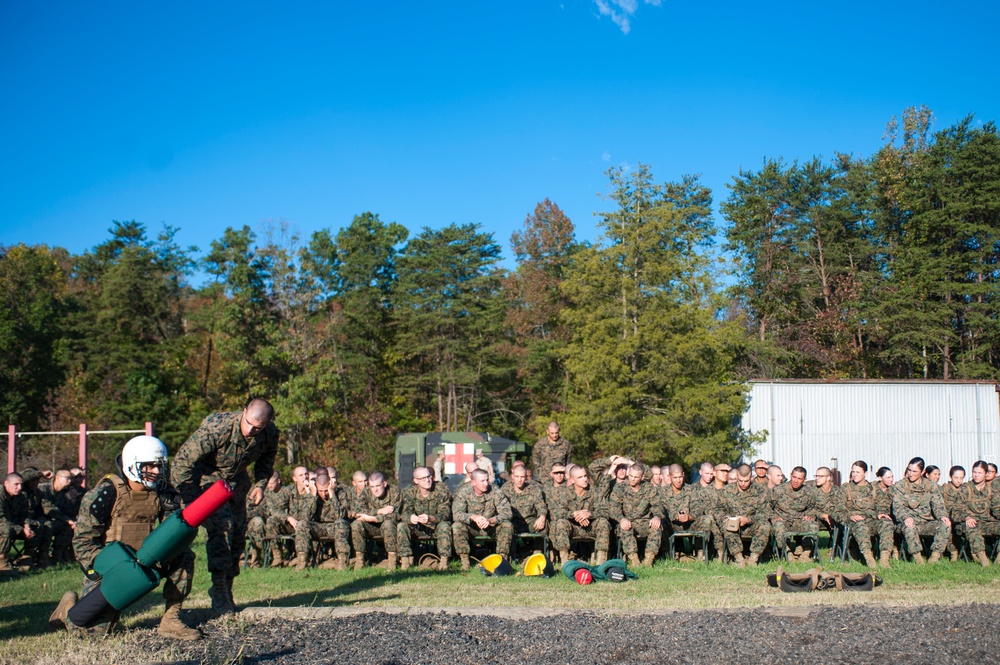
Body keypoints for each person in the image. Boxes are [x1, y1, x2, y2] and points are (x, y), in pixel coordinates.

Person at [48, 436, 201, 640]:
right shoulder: (104, 494)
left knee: (183, 556)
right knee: (90, 635)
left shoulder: (163, 492)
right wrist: (110, 571)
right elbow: (83, 542)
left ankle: (170, 620)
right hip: (111, 568)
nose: (157, 471)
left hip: (146, 559)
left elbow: (169, 532)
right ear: (132, 464)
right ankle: (66, 609)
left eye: (159, 466)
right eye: (150, 466)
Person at [171, 397, 279, 613]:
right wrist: (191, 500)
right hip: (206, 479)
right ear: (244, 411)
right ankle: (219, 589)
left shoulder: (269, 433)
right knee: (222, 530)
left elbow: (266, 460)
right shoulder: (217, 428)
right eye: (247, 423)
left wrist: (260, 485)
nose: (249, 431)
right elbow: (181, 462)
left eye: (257, 428)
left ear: (266, 425)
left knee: (239, 535)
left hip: (237, 483)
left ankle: (227, 587)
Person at [893, 457, 951, 564]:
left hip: (926, 523)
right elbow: (897, 507)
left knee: (945, 525)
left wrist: (942, 516)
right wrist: (906, 517)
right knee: (910, 526)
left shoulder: (930, 485)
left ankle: (935, 556)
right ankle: (917, 558)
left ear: (922, 472)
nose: (911, 474)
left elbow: (938, 505)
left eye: (914, 471)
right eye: (909, 470)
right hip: (908, 523)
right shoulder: (901, 485)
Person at [451, 469, 512, 571]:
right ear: (473, 482)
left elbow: (507, 512)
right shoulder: (464, 492)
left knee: (507, 525)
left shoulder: (495, 491)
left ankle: (502, 560)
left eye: (487, 480)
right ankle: (465, 561)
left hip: (490, 527)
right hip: (472, 528)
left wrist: (491, 520)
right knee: (457, 526)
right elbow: (456, 514)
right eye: (482, 481)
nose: (486, 483)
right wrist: (473, 517)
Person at [550, 465, 611, 566]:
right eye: (580, 477)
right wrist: (575, 514)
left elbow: (606, 511)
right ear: (572, 480)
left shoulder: (595, 491)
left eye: (585, 476)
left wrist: (589, 514)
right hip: (573, 527)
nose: (585, 479)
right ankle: (565, 562)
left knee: (603, 522)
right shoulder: (564, 492)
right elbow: (555, 513)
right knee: (560, 523)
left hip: (590, 526)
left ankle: (601, 563)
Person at [397, 466, 452, 571]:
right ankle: (405, 562)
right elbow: (403, 513)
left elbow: (446, 514)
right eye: (423, 478)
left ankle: (444, 562)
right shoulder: (409, 492)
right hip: (418, 528)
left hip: (436, 526)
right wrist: (410, 517)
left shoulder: (441, 490)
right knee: (402, 526)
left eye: (429, 476)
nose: (427, 480)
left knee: (445, 526)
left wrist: (430, 518)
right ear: (416, 481)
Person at [609, 463, 663, 568]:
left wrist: (657, 516)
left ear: (642, 477)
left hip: (644, 522)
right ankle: (634, 560)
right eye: (631, 476)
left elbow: (658, 505)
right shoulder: (620, 488)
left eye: (636, 477)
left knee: (656, 526)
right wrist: (621, 519)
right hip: (627, 522)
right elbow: (613, 508)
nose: (632, 479)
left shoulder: (649, 488)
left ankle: (648, 560)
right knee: (625, 528)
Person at [841, 461, 892, 568]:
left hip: (870, 520)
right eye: (853, 472)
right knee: (861, 525)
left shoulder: (873, 489)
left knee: (886, 523)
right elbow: (837, 510)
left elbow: (881, 505)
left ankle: (884, 559)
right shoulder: (846, 489)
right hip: (853, 523)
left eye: (858, 472)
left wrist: (881, 514)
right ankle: (869, 558)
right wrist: (850, 516)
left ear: (865, 473)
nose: (854, 474)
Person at [267, 466, 318, 570]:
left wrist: (311, 494)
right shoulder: (289, 490)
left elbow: (309, 515)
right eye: (301, 475)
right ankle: (277, 558)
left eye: (306, 474)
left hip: (309, 525)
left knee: (303, 524)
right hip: (292, 524)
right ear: (295, 478)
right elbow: (275, 510)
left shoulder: (314, 490)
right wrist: (288, 518)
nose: (305, 477)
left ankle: (302, 560)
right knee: (272, 521)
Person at [720, 464, 770, 567]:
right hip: (734, 524)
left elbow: (765, 513)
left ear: (751, 477)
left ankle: (753, 558)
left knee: (765, 525)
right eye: (740, 480)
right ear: (737, 476)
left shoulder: (760, 491)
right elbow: (718, 509)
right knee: (728, 526)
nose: (743, 484)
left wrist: (748, 519)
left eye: (746, 481)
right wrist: (727, 518)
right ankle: (739, 559)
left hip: (752, 525)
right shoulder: (727, 490)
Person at [350, 471, 402, 570]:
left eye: (378, 486)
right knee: (356, 525)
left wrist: (372, 518)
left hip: (387, 526)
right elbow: (358, 511)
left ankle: (392, 561)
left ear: (384, 484)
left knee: (388, 524)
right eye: (372, 486)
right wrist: (379, 511)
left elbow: (395, 515)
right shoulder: (365, 492)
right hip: (371, 527)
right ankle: (360, 560)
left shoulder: (394, 491)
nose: (375, 490)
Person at [952, 461, 997, 567]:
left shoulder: (991, 489)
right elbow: (955, 512)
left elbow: (997, 509)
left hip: (986, 522)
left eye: (979, 473)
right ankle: (983, 558)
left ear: (986, 474)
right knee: (972, 526)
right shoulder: (965, 489)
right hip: (967, 524)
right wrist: (966, 517)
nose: (976, 475)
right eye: (974, 472)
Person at [770, 466, 818, 562]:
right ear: (791, 476)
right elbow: (768, 507)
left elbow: (812, 508)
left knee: (813, 525)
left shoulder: (808, 492)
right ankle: (788, 553)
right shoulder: (778, 490)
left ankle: (805, 553)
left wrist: (810, 515)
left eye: (799, 479)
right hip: (783, 520)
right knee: (778, 526)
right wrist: (773, 517)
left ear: (804, 479)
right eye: (794, 477)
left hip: (800, 520)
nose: (796, 481)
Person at [305, 472, 350, 570]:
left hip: (335, 527)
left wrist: (332, 493)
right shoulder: (313, 495)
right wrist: (313, 495)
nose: (324, 494)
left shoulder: (340, 493)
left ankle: (342, 562)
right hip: (320, 527)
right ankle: (303, 562)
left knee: (341, 523)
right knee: (302, 524)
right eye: (320, 491)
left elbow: (340, 515)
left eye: (326, 490)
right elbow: (306, 517)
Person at [1, 472, 46, 571]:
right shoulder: (1, 495)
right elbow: (1, 519)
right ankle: (2, 561)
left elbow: (24, 514)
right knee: (6, 530)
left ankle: (26, 558)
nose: (20, 487)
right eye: (16, 484)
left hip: (14, 524)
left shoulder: (20, 496)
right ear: (6, 483)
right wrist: (21, 529)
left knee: (38, 525)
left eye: (21, 484)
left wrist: (27, 526)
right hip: (3, 525)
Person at [500, 465, 547, 556]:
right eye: (517, 476)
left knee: (544, 525)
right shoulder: (505, 489)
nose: (519, 480)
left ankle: (537, 552)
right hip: (513, 522)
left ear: (526, 477)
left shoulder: (534, 489)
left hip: (530, 521)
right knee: (505, 527)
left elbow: (541, 505)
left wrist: (542, 516)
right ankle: (506, 556)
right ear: (512, 477)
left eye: (522, 477)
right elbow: (500, 507)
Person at [245, 472, 281, 568]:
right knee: (257, 521)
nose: (268, 485)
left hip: (267, 524)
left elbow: (268, 511)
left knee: (261, 521)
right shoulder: (250, 491)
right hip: (248, 523)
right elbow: (245, 510)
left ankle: (259, 559)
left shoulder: (273, 493)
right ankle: (252, 558)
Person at [940, 466, 966, 561]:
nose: (959, 481)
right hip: (947, 517)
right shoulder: (944, 489)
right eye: (956, 478)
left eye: (961, 478)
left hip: (961, 517)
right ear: (951, 477)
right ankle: (953, 553)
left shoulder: (965, 489)